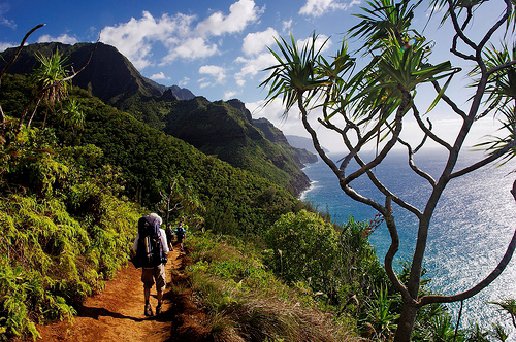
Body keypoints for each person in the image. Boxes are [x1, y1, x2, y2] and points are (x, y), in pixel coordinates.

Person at [132, 212, 169, 317]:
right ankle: (159, 306)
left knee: (147, 285)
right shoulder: (161, 232)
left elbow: (134, 248)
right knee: (160, 285)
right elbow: (166, 249)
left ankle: (147, 306)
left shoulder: (141, 232)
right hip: (158, 263)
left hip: (146, 263)